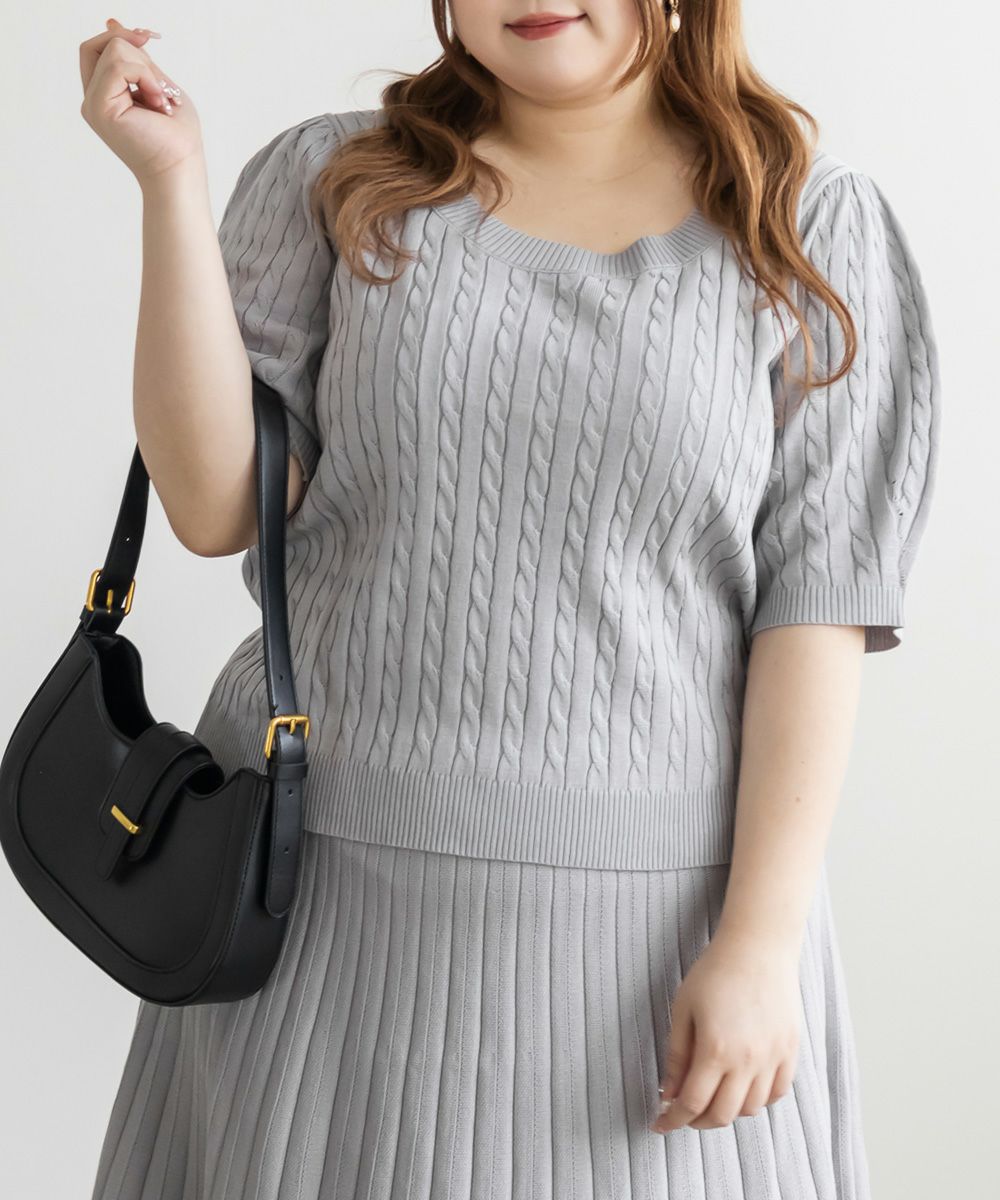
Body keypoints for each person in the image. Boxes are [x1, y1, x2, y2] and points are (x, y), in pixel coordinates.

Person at [81, 4, 940, 1198]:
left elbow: (816, 608)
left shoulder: (806, 222)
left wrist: (759, 943)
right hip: (319, 914)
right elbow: (216, 504)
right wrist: (169, 183)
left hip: (647, 945)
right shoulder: (336, 179)